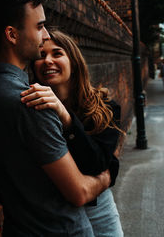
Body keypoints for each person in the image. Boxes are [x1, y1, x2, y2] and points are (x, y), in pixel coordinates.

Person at [0, 0, 111, 237]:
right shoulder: (31, 101)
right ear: (12, 35)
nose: (46, 35)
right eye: (39, 26)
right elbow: (78, 192)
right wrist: (106, 178)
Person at [20, 29, 124, 237]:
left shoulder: (104, 108)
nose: (48, 60)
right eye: (41, 56)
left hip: (98, 209)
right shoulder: (29, 108)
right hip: (55, 213)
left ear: (74, 61)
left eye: (57, 53)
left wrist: (66, 118)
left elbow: (99, 163)